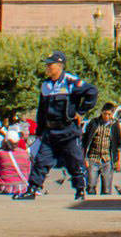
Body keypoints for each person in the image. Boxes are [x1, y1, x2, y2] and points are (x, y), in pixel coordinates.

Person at [15, 51, 97, 201]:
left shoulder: (71, 81)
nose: (47, 67)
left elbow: (92, 92)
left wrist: (80, 112)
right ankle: (32, 189)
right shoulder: (46, 85)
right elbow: (42, 109)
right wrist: (39, 131)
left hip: (68, 131)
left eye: (50, 64)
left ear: (59, 66)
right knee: (41, 161)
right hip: (50, 132)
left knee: (75, 161)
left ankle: (80, 190)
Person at [83, 103, 119, 195]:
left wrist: (118, 160)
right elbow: (85, 140)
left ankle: (103, 206)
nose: (106, 116)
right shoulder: (94, 123)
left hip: (107, 159)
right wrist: (85, 158)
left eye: (109, 114)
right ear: (101, 113)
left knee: (106, 189)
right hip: (93, 158)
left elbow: (118, 143)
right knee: (91, 186)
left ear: (112, 114)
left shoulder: (115, 125)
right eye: (105, 114)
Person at [0, 130, 31, 195]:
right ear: (17, 142)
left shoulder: (0, 153)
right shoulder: (25, 153)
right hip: (22, 187)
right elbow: (28, 171)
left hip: (5, 187)